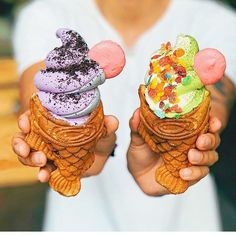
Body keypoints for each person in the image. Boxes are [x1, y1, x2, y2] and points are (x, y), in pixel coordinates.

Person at [12, 0, 236, 231]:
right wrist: (54, 142)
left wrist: (181, 155)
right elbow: (39, 96)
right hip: (78, 222)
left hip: (190, 220)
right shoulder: (44, 14)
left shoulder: (218, 20)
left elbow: (211, 107)